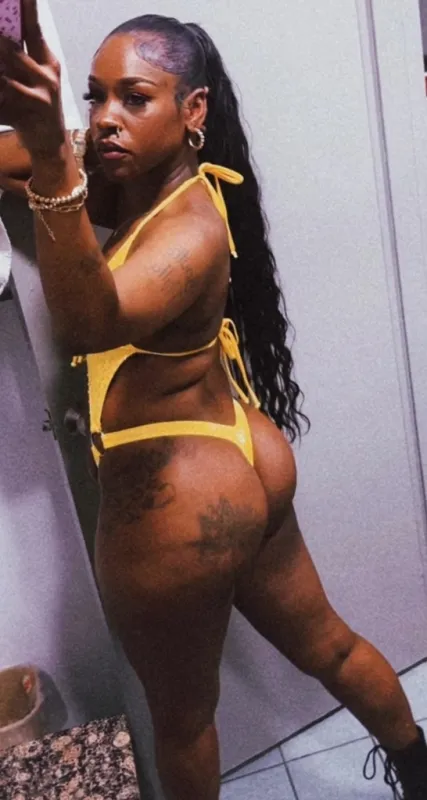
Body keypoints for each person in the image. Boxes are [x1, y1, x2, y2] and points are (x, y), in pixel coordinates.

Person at [0, 3, 426, 798]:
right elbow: (17, 165)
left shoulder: (189, 229)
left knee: (184, 723)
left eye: (135, 98)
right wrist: (43, 130)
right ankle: (418, 764)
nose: (108, 118)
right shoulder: (139, 186)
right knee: (328, 646)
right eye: (95, 97)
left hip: (180, 495)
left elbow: (91, 322)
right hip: (239, 456)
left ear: (191, 110)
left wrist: (56, 157)